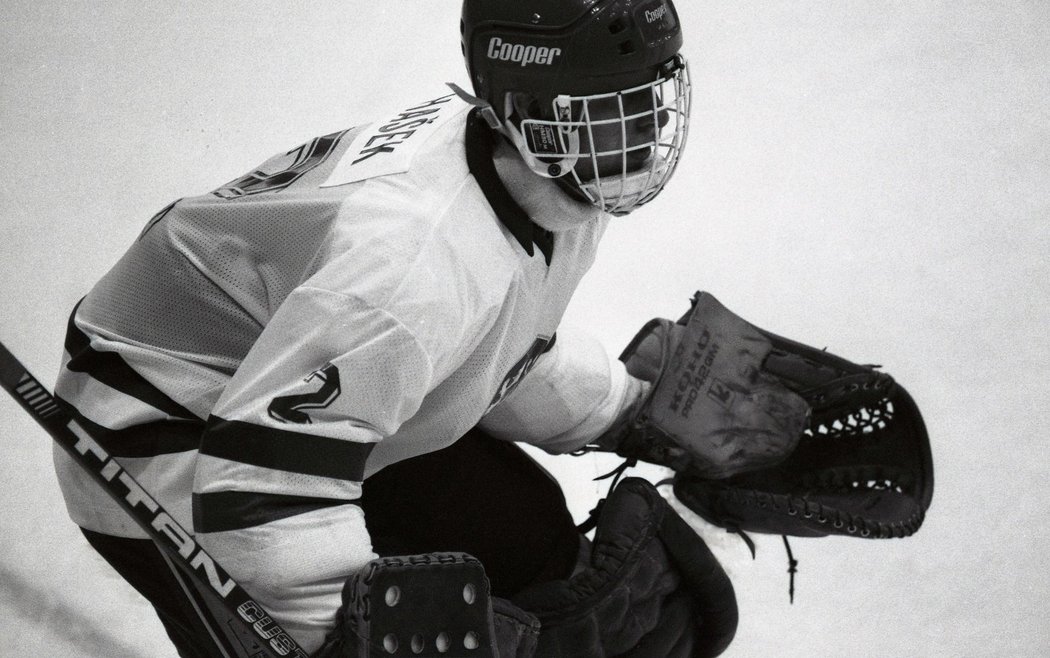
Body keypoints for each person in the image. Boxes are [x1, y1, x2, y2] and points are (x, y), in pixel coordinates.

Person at [52, 0, 735, 655]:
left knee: (534, 550)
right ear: (527, 115)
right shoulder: (412, 263)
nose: (644, 135)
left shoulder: (548, 191)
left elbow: (479, 354)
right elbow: (257, 492)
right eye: (610, 111)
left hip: (299, 398)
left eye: (651, 98)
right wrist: (340, 639)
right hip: (165, 441)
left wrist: (632, 411)